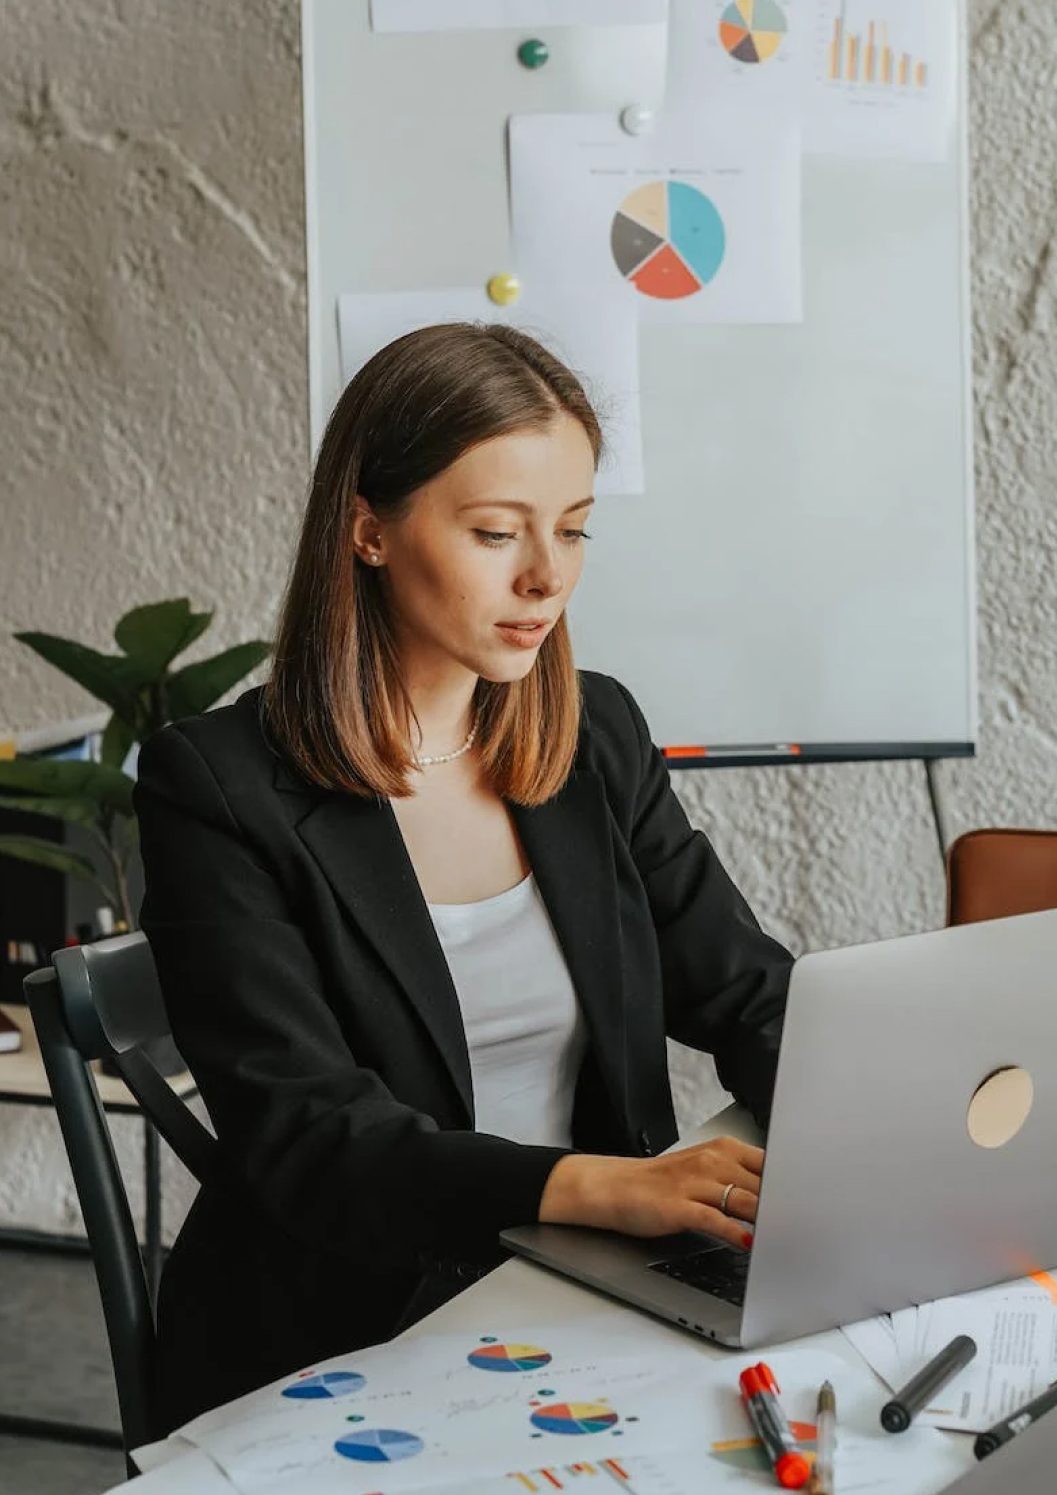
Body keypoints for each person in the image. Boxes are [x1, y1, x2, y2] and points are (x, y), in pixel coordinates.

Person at [134, 323, 793, 1435]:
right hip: (346, 1324)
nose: (547, 577)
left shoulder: (595, 734)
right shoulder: (219, 783)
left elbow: (742, 990)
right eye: (496, 531)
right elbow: (307, 1132)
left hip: (584, 1289)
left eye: (574, 531)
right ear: (368, 530)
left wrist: (876, 1129)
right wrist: (593, 1185)